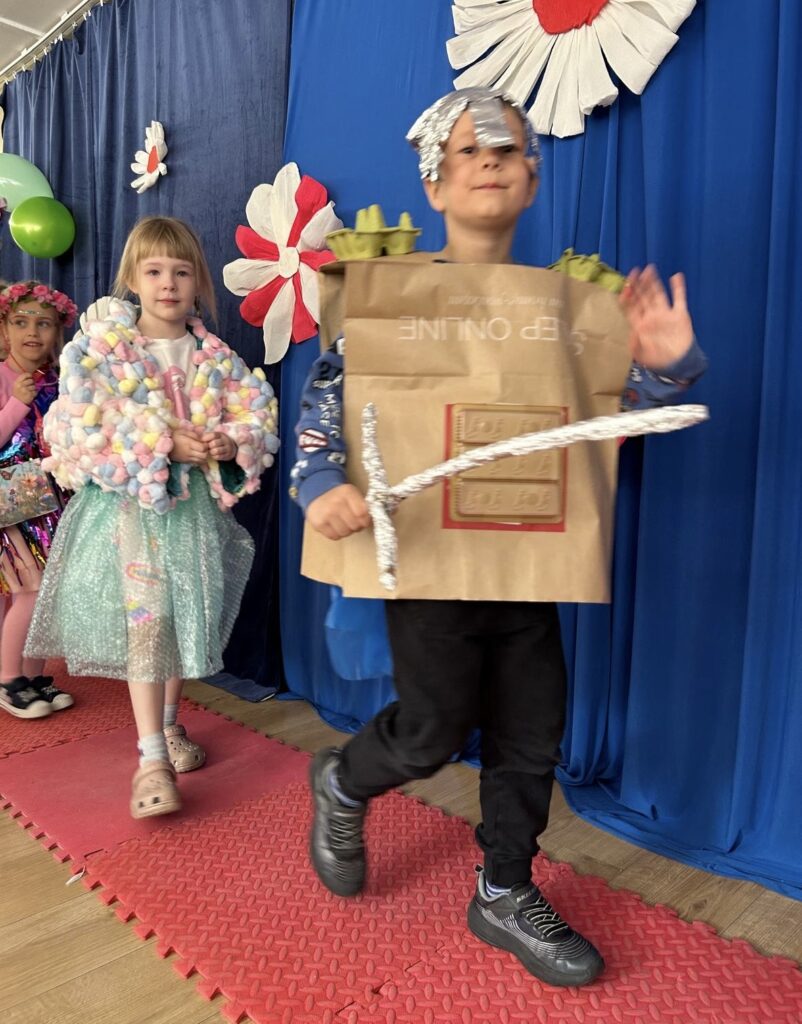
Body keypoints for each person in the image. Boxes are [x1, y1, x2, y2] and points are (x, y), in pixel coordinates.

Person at [291, 88, 707, 988]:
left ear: (532, 178)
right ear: (434, 185)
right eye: (468, 149)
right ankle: (344, 781)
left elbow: (604, 428)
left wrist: (665, 369)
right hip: (428, 563)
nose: (489, 158)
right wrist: (321, 485)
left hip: (523, 562)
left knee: (532, 734)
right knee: (430, 732)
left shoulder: (566, 310)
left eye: (508, 148)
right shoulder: (387, 300)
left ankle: (504, 890)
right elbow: (326, 408)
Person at [26, 216, 279, 818]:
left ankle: (167, 724)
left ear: (199, 284)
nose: (169, 283)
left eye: (182, 272)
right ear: (133, 279)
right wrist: (161, 442)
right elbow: (77, 418)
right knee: (149, 623)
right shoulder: (102, 349)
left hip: (191, 516)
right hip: (130, 515)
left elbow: (255, 415)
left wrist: (230, 443)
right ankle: (151, 759)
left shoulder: (215, 357)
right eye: (155, 271)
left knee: (183, 619)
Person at [0, 281, 76, 719]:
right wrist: (16, 403)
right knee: (29, 589)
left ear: (56, 332)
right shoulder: (2, 377)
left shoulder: (59, 382)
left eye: (44, 323)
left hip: (49, 503)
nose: (32, 332)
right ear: (5, 330)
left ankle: (31, 676)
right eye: (21, 322)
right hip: (11, 507)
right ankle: (9, 679)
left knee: (46, 594)